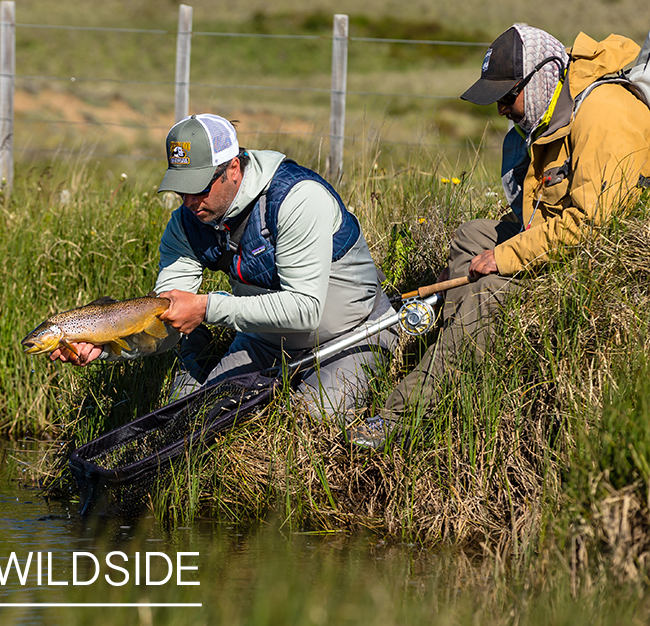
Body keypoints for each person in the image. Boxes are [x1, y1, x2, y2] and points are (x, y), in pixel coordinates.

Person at [356, 23, 650, 449]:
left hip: (594, 256)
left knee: (491, 283)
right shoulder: (551, 109)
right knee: (472, 236)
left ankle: (404, 413)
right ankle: (457, 363)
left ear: (543, 76)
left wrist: (507, 257)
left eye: (506, 97)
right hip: (554, 232)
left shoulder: (606, 115)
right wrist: (504, 247)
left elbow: (592, 226)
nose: (500, 110)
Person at [52, 113, 398, 434]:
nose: (188, 200)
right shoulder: (185, 226)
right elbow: (167, 324)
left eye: (200, 186)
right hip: (265, 342)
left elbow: (306, 311)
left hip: (354, 335)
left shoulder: (297, 198)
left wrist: (206, 308)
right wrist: (108, 347)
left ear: (233, 167)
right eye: (180, 188)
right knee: (203, 422)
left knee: (305, 427)